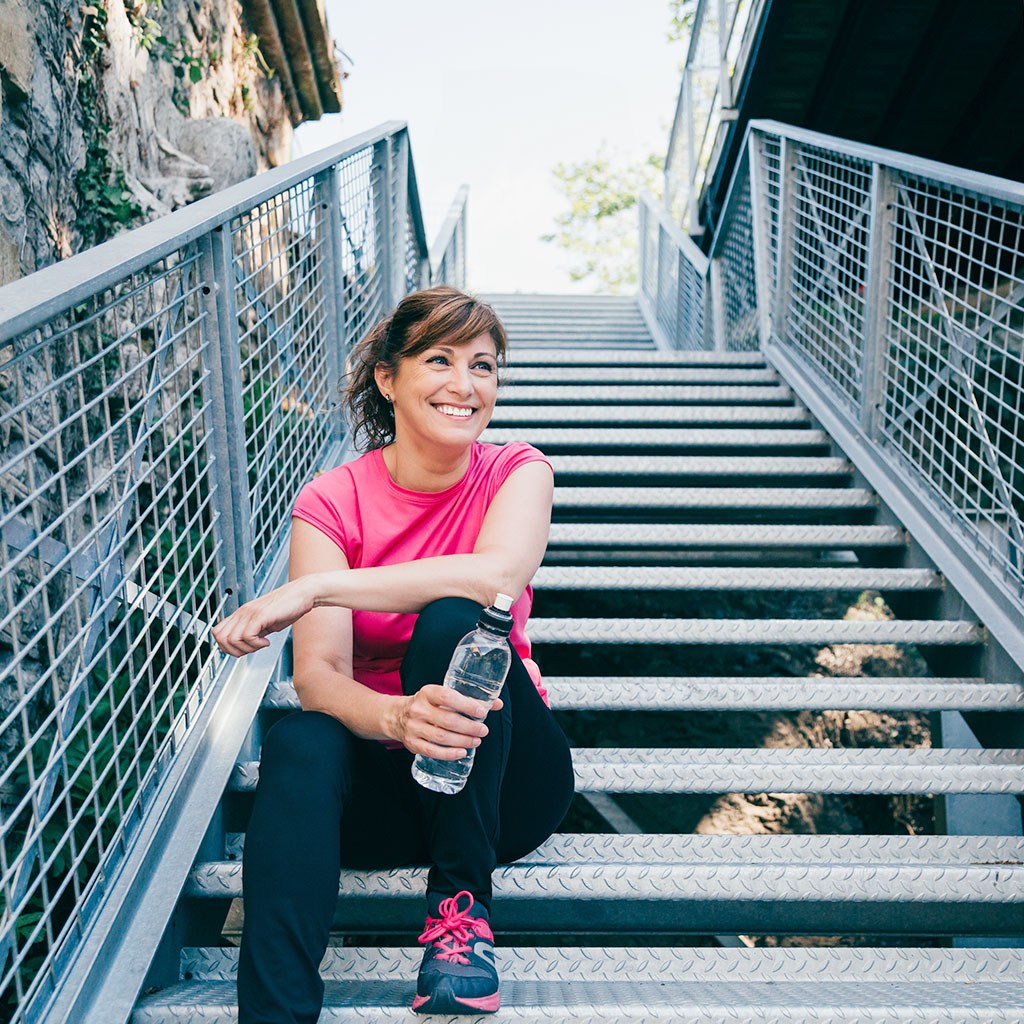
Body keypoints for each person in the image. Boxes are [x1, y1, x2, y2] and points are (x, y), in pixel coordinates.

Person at [211, 286, 576, 1021]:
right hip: (387, 784)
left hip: (503, 784)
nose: (466, 386)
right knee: (300, 739)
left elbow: (498, 577)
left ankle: (461, 916)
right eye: (439, 360)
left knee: (455, 621)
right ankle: (274, 1011)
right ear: (389, 377)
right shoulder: (332, 500)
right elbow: (317, 678)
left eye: (484, 367)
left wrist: (318, 587)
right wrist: (397, 718)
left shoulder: (518, 470)